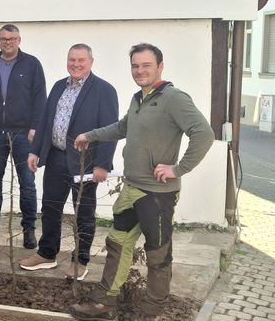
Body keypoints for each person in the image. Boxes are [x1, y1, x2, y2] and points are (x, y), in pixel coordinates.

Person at [69, 43, 214, 320]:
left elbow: (203, 134)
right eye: (135, 65)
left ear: (160, 66)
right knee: (118, 244)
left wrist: (179, 168)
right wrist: (90, 135)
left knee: (158, 254)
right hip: (132, 188)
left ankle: (152, 310)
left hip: (157, 195)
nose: (140, 70)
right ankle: (104, 302)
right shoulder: (139, 98)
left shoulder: (173, 98)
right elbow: (122, 127)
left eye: (146, 65)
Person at [18, 44, 119, 280]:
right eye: (72, 59)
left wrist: (103, 164)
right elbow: (45, 121)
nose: (76, 64)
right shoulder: (58, 86)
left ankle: (80, 260)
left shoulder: (104, 90)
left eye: (81, 60)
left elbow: (111, 130)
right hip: (55, 157)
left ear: (91, 62)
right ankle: (46, 254)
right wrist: (35, 152)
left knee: (83, 211)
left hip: (85, 162)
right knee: (50, 208)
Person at [0, 24, 47, 248]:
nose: (7, 42)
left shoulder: (32, 64)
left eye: (12, 38)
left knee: (27, 183)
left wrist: (36, 126)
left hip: (24, 134)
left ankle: (29, 229)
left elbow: (40, 97)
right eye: (3, 38)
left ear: (19, 40)